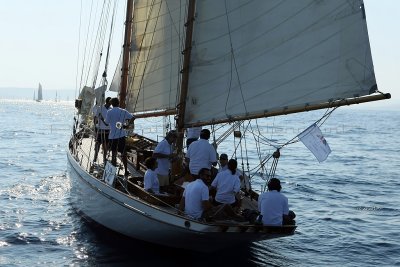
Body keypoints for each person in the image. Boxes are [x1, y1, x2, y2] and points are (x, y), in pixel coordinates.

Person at [179, 168, 245, 222]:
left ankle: (235, 216)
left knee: (218, 207)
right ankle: (238, 218)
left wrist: (180, 213)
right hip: (199, 216)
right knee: (226, 205)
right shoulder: (204, 187)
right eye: (207, 176)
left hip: (187, 215)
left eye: (210, 176)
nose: (209, 178)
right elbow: (206, 207)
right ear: (201, 175)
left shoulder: (189, 185)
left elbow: (182, 203)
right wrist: (212, 206)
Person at [104, 97, 135, 176]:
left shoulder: (109, 112)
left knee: (113, 154)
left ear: (112, 104)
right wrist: (127, 125)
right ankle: (125, 171)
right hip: (121, 135)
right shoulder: (123, 111)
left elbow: (106, 123)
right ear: (118, 103)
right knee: (123, 154)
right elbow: (133, 117)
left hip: (112, 136)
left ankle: (113, 172)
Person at [92, 97, 111, 165]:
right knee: (97, 144)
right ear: (107, 102)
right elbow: (95, 117)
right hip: (100, 129)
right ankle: (95, 158)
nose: (111, 104)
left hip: (108, 130)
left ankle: (104, 159)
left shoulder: (111, 109)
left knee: (105, 145)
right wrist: (95, 127)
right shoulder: (100, 108)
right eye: (110, 102)